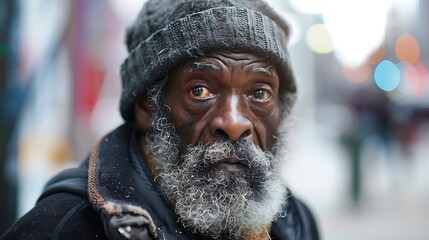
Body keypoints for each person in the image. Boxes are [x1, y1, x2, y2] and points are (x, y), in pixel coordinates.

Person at [2, 0, 319, 239]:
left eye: (259, 94)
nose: (235, 123)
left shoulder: (295, 221)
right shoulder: (65, 227)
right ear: (147, 107)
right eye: (200, 90)